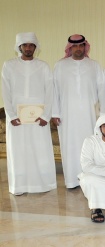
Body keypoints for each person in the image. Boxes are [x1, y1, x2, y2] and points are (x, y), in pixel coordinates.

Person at [1, 32, 56, 195]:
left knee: (40, 149)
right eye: (25, 45)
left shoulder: (43, 66)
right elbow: (6, 92)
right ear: (19, 47)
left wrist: (46, 115)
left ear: (35, 47)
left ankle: (43, 185)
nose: (28, 48)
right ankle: (19, 186)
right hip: (17, 118)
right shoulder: (9, 65)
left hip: (39, 118)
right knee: (18, 151)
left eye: (31, 45)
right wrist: (11, 115)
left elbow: (49, 92)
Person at [52, 34, 105, 189]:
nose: (78, 49)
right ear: (70, 48)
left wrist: (103, 114)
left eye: (81, 46)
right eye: (74, 46)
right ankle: (71, 180)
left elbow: (102, 91)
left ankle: (91, 179)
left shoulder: (94, 65)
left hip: (90, 116)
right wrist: (55, 113)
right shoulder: (60, 65)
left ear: (85, 47)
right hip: (67, 115)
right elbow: (54, 91)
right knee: (70, 146)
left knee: (90, 146)